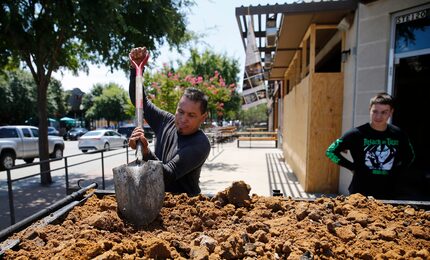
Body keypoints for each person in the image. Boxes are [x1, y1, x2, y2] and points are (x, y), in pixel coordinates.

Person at [128, 47, 211, 197]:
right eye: (180, 111)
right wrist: (135, 70)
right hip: (158, 199)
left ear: (203, 117)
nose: (183, 119)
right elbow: (139, 101)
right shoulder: (166, 121)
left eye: (191, 115)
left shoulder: (200, 144)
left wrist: (145, 152)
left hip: (184, 207)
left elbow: (168, 175)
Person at [326, 92, 415, 199]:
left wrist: (397, 171)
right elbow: (330, 151)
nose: (378, 116)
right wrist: (352, 167)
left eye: (384, 112)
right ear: (370, 110)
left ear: (391, 112)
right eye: (375, 111)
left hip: (390, 192)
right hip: (360, 193)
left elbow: (410, 156)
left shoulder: (399, 134)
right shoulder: (356, 134)